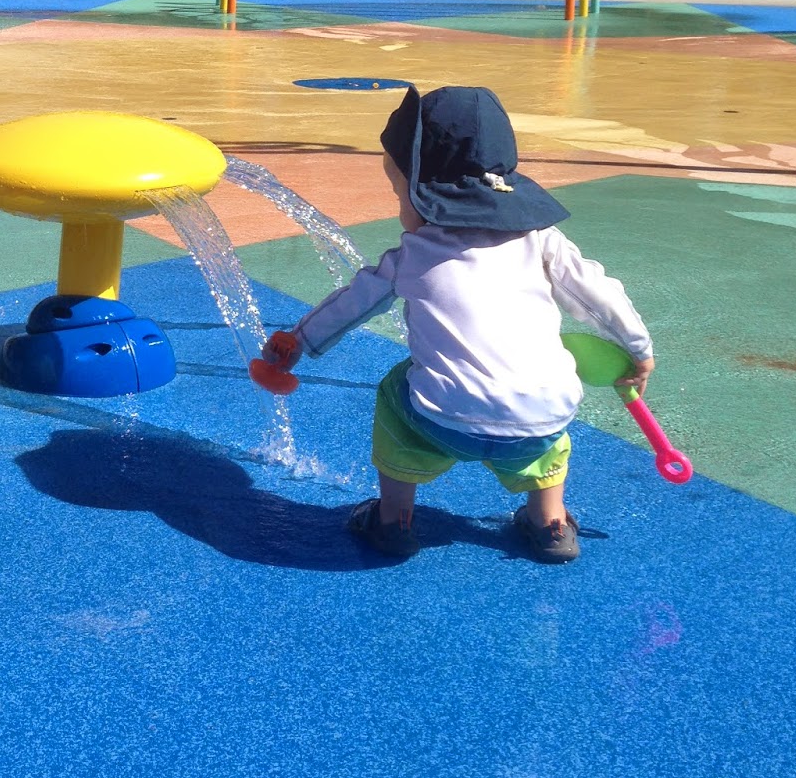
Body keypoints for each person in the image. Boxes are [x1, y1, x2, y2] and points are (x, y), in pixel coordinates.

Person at [263, 85, 654, 563]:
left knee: (395, 390)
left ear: (423, 195)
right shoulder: (542, 240)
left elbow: (353, 303)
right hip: (541, 422)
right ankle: (550, 523)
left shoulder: (412, 254)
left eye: (400, 195)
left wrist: (298, 340)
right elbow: (598, 293)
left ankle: (393, 519)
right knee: (550, 390)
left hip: (440, 421)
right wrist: (639, 349)